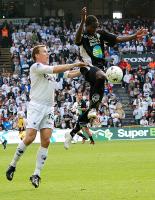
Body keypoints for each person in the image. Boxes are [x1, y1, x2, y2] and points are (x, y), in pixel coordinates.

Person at [64, 7, 148, 149]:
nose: (94, 29)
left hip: (99, 70)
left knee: (92, 108)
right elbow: (76, 39)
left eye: (96, 27)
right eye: (92, 27)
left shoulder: (100, 34)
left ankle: (71, 134)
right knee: (101, 76)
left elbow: (117, 39)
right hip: (87, 66)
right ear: (87, 26)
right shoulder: (83, 36)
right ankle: (99, 95)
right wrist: (82, 21)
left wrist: (134, 36)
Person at [6, 44, 87, 188]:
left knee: (46, 141)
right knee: (30, 137)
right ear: (36, 55)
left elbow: (69, 74)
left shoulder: (51, 71)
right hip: (36, 106)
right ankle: (13, 165)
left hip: (49, 108)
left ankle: (36, 174)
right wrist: (75, 63)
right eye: (44, 52)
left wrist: (85, 69)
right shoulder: (35, 67)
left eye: (47, 51)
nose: (47, 54)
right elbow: (56, 69)